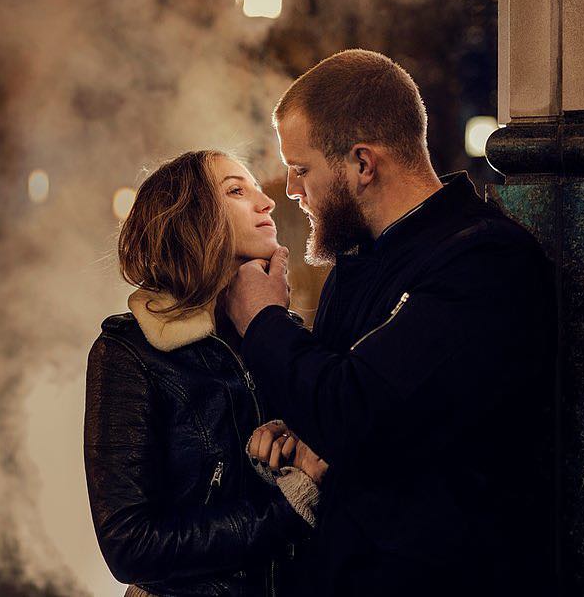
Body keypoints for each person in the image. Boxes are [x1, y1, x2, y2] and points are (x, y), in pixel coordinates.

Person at [228, 50, 557, 595]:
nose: (289, 188)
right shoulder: (358, 261)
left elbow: (357, 412)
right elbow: (352, 409)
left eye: (302, 167)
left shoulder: (484, 262)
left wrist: (261, 319)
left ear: (363, 163)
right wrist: (294, 430)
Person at [84, 150, 326, 597]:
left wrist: (291, 451)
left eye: (255, 187)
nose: (267, 201)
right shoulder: (129, 352)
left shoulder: (280, 336)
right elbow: (131, 546)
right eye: (236, 190)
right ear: (191, 219)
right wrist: (288, 507)